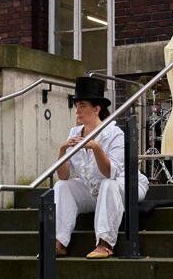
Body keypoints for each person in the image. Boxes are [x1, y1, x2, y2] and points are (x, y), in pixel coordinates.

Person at [54, 77, 150, 259]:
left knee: (108, 183)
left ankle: (104, 243)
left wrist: (96, 147)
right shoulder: (74, 133)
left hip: (126, 185)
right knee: (61, 187)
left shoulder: (114, 134)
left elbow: (110, 173)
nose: (77, 111)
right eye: (76, 106)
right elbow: (64, 177)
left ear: (96, 109)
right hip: (93, 189)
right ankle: (58, 242)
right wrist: (62, 150)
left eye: (82, 105)